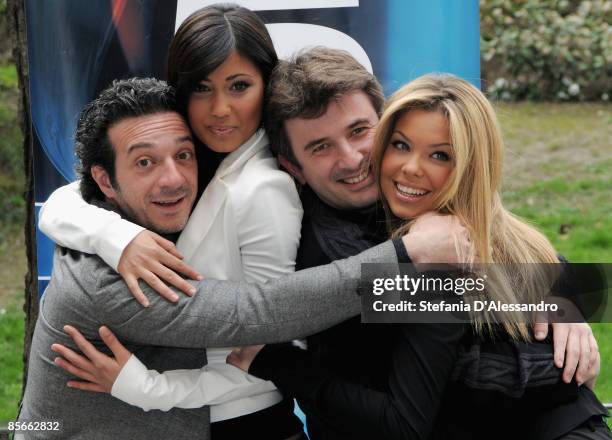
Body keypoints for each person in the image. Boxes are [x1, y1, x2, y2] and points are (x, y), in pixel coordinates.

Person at [17, 77, 428, 440]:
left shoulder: (220, 196)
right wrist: (409, 257)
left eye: (183, 155)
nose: (174, 178)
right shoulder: (106, 277)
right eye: (145, 162)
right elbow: (255, 314)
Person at [230, 74, 611, 439]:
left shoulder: (443, 227)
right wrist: (277, 363)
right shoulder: (359, 249)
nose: (352, 159)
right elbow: (402, 419)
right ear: (293, 167)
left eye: (359, 132)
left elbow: (555, 266)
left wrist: (564, 298)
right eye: (321, 146)